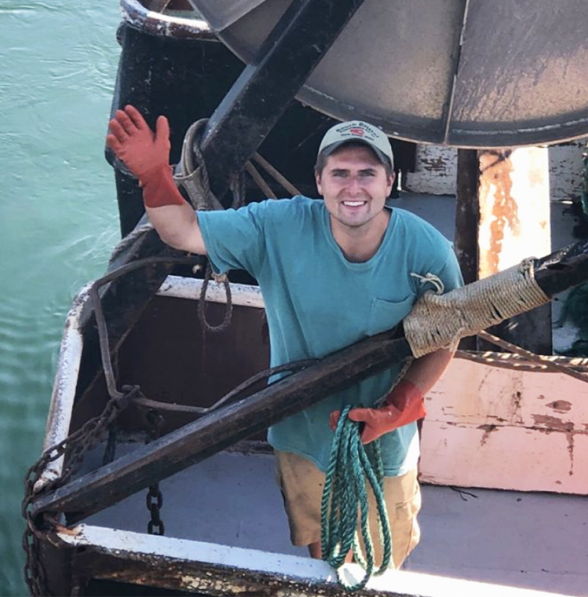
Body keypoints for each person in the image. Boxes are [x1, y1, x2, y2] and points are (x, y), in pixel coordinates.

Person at [106, 106, 462, 568]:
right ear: (319, 182)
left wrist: (402, 403)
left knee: (383, 555)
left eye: (367, 174)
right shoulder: (278, 226)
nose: (353, 188)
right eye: (340, 174)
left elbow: (446, 335)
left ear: (389, 182)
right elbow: (185, 230)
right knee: (321, 545)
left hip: (385, 439)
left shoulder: (427, 251)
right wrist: (155, 175)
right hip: (300, 427)